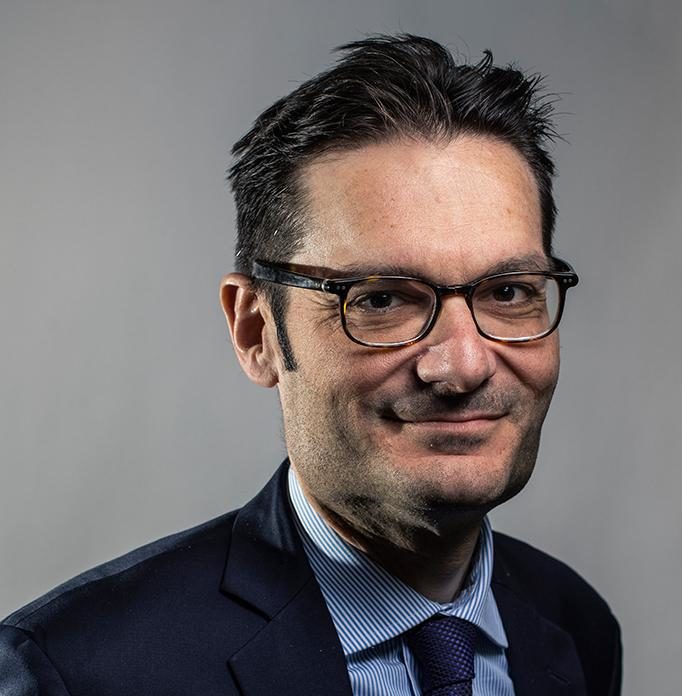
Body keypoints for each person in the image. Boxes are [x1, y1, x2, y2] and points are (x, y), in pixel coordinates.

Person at [0, 34, 621, 695]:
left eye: (509, 293)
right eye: (380, 299)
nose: (463, 366)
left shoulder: (576, 626)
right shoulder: (76, 672)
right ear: (257, 331)